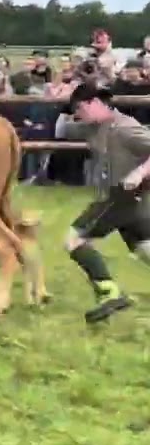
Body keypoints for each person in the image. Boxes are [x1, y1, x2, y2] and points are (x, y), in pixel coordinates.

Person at [55, 83, 150, 323]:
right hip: (128, 201)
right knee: (145, 250)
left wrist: (139, 173)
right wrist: (59, 104)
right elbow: (61, 130)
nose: (79, 115)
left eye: (80, 109)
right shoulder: (92, 127)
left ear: (93, 103)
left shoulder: (125, 128)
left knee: (73, 239)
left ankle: (109, 293)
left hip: (121, 196)